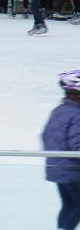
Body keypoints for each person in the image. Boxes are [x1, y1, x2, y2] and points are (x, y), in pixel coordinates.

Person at [42, 70, 80, 230]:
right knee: (76, 206)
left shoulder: (59, 110)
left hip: (58, 169)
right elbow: (77, 145)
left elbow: (45, 136)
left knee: (69, 205)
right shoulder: (77, 114)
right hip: (73, 170)